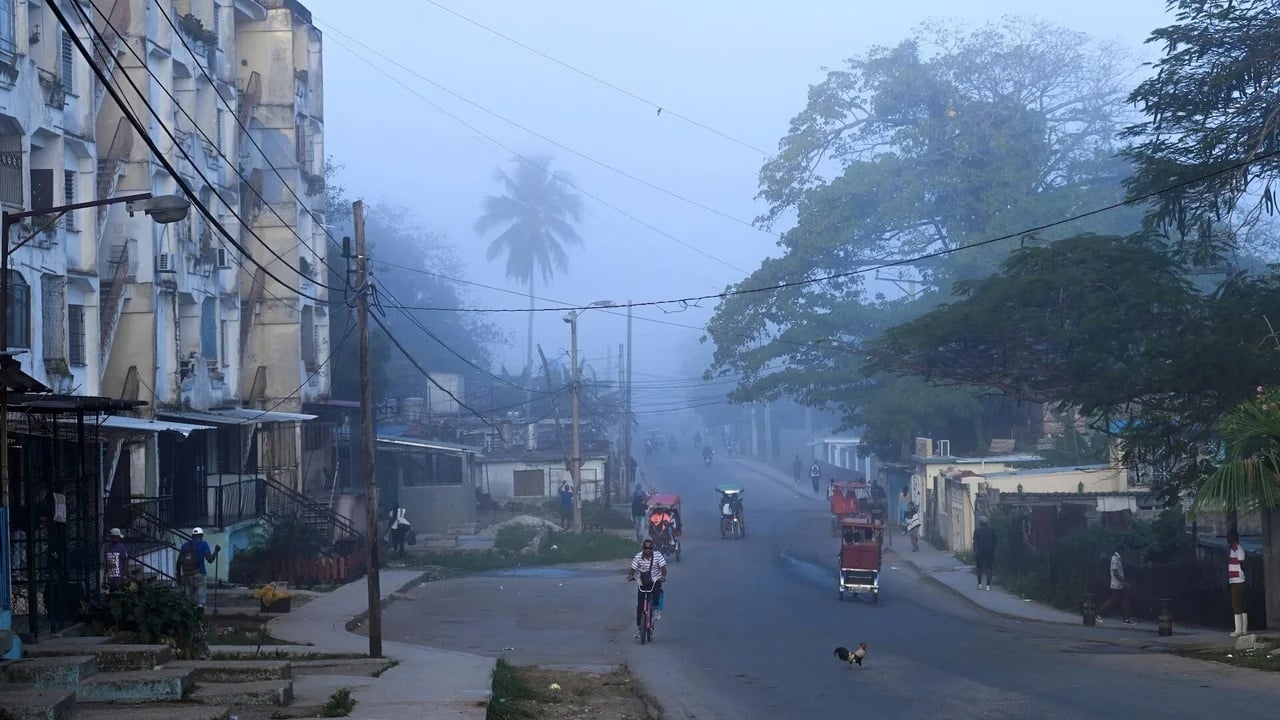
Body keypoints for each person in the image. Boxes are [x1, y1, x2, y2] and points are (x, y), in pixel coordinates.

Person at [626, 539, 668, 634]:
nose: (647, 550)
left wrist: (663, 577)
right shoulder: (638, 557)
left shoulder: (658, 555)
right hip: (642, 582)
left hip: (655, 580)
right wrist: (630, 576)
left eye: (649, 548)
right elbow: (633, 568)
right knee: (640, 606)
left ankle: (656, 609)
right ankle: (639, 627)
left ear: (652, 548)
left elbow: (663, 568)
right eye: (646, 548)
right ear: (643, 548)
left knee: (657, 592)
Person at [176, 528, 220, 614]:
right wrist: (216, 551)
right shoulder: (203, 544)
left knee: (188, 599)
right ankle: (199, 620)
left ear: (192, 536)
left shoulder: (185, 545)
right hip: (200, 574)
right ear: (201, 536)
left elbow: (179, 562)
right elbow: (210, 559)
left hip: (187, 574)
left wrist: (179, 575)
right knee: (200, 601)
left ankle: (189, 621)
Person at [1095, 547, 1136, 624]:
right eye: (1125, 550)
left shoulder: (1118, 558)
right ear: (1121, 550)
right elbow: (1115, 572)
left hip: (1119, 583)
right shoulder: (1115, 558)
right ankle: (1098, 613)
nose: (1126, 552)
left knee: (1124, 600)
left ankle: (1127, 618)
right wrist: (1124, 581)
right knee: (1115, 599)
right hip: (1117, 583)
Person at [1228, 527, 1248, 637]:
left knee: (1236, 604)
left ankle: (1239, 629)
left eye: (1229, 537)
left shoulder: (1237, 549)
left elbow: (1242, 562)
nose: (1228, 539)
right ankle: (1243, 629)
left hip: (1238, 580)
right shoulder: (1233, 548)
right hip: (1235, 580)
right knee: (1241, 604)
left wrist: (1241, 573)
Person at [973, 518, 996, 590]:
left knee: (979, 568)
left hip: (980, 551)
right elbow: (995, 541)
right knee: (989, 568)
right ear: (987, 523)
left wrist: (974, 551)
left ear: (980, 523)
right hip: (989, 551)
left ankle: (980, 584)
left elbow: (975, 542)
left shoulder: (977, 531)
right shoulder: (992, 530)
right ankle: (988, 586)